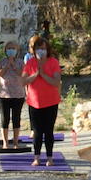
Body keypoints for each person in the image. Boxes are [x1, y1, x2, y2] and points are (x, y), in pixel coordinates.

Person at [22, 33, 62, 166]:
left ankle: (50, 158)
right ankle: (37, 157)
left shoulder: (53, 62)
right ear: (34, 50)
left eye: (43, 48)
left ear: (47, 49)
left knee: (49, 131)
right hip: (34, 102)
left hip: (51, 102)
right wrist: (35, 74)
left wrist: (44, 75)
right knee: (37, 132)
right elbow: (23, 81)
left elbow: (56, 82)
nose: (41, 51)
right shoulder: (30, 62)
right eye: (38, 48)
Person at [0, 40, 25, 149]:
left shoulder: (21, 62)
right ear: (5, 50)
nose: (11, 50)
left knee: (16, 118)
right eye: (9, 48)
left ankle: (16, 142)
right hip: (4, 96)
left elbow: (23, 74)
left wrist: (14, 65)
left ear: (17, 50)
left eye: (13, 48)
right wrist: (7, 66)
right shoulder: (2, 62)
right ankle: (5, 143)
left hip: (18, 95)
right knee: (5, 119)